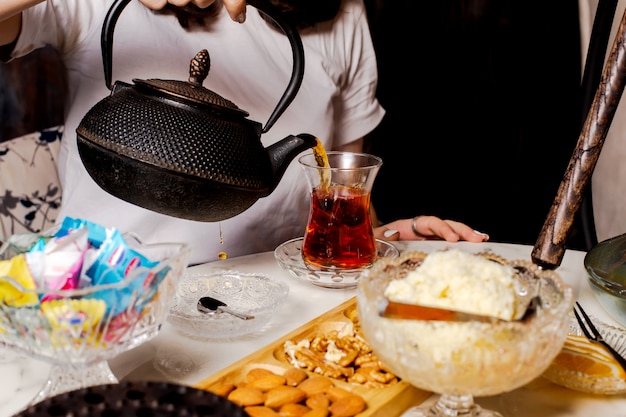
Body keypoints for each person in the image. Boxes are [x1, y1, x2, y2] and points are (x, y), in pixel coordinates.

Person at [0, 0, 488, 265]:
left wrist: (382, 242)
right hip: (98, 300)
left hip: (267, 306)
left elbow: (339, 191)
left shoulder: (341, 15)